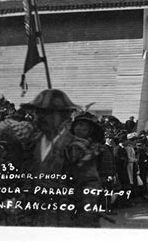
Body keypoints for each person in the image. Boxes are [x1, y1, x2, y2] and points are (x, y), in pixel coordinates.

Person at [19, 89, 101, 227]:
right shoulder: (30, 143)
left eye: (46, 113)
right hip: (31, 217)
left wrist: (84, 218)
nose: (38, 117)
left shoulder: (75, 148)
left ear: (64, 116)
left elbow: (90, 186)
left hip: (62, 217)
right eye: (37, 112)